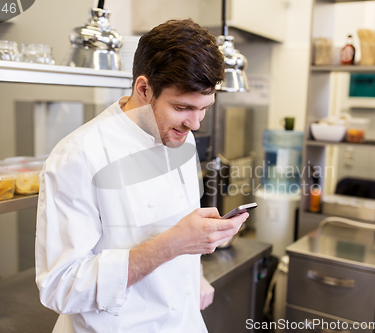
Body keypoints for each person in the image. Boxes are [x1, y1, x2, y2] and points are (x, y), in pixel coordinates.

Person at [35, 19, 249, 332]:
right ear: (144, 88)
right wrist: (173, 244)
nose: (196, 124)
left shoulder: (181, 137)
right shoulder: (79, 155)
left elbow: (177, 228)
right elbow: (60, 286)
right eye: (182, 107)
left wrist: (195, 268)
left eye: (204, 108)